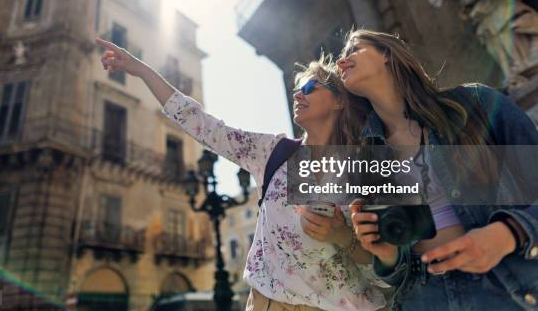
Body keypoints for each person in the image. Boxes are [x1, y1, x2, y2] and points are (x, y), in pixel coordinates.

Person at [96, 37, 389, 310]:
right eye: (297, 88)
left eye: (311, 87)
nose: (299, 93)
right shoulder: (275, 152)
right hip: (269, 303)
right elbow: (205, 126)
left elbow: (385, 261)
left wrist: (342, 236)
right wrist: (141, 70)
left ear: (340, 101)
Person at [337, 29, 538, 310]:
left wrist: (509, 233)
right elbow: (397, 272)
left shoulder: (476, 104)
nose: (341, 62)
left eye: (352, 50)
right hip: (425, 298)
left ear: (387, 54)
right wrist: (387, 255)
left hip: (505, 288)